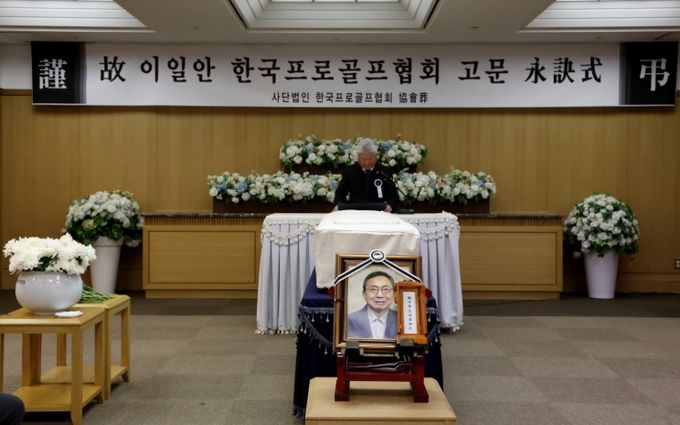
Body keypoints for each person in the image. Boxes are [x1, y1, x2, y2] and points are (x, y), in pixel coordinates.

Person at [333, 138, 398, 212]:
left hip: (379, 212)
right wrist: (339, 206)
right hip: (355, 212)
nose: (367, 163)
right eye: (363, 159)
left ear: (376, 157)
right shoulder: (349, 171)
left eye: (370, 159)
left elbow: (393, 195)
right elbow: (340, 194)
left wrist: (390, 205)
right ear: (358, 158)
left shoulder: (385, 171)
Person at [347, 271, 398, 339]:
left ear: (394, 294)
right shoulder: (349, 320)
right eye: (373, 289)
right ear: (364, 294)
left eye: (385, 289)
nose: (380, 295)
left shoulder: (401, 321)